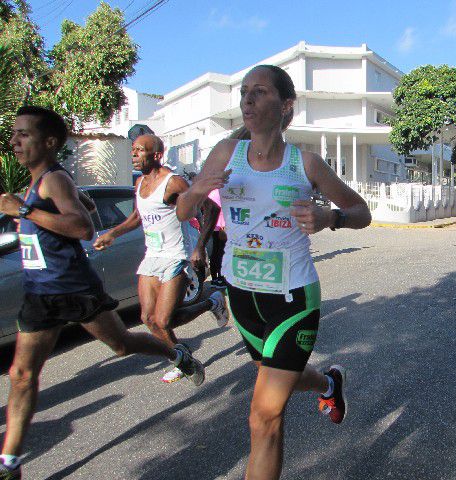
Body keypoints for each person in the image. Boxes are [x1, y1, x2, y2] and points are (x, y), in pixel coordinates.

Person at [175, 65, 371, 480]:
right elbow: (182, 212)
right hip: (241, 297)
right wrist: (195, 190)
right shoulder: (225, 154)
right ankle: (328, 384)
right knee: (277, 379)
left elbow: (361, 212)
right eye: (244, 91)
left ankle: (325, 385)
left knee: (263, 417)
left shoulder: (306, 164)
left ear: (285, 106)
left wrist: (328, 218)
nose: (247, 99)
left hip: (292, 300)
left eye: (259, 92)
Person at [0, 106, 205, 479]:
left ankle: (177, 354)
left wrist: (26, 210)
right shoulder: (38, 183)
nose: (14, 141)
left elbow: (80, 227)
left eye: (23, 134)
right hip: (38, 292)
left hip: (74, 287)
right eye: (14, 133)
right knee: (22, 374)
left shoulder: (52, 179)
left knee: (124, 344)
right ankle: (10, 462)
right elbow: (85, 210)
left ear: (48, 142)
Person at [93, 134, 228, 383]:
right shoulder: (140, 183)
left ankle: (212, 304)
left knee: (164, 319)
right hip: (152, 256)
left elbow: (210, 208)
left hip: (175, 256)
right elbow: (137, 216)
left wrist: (199, 246)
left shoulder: (173, 182)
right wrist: (113, 233)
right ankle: (183, 357)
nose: (133, 155)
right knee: (148, 319)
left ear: (156, 155)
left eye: (139, 150)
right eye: (132, 150)